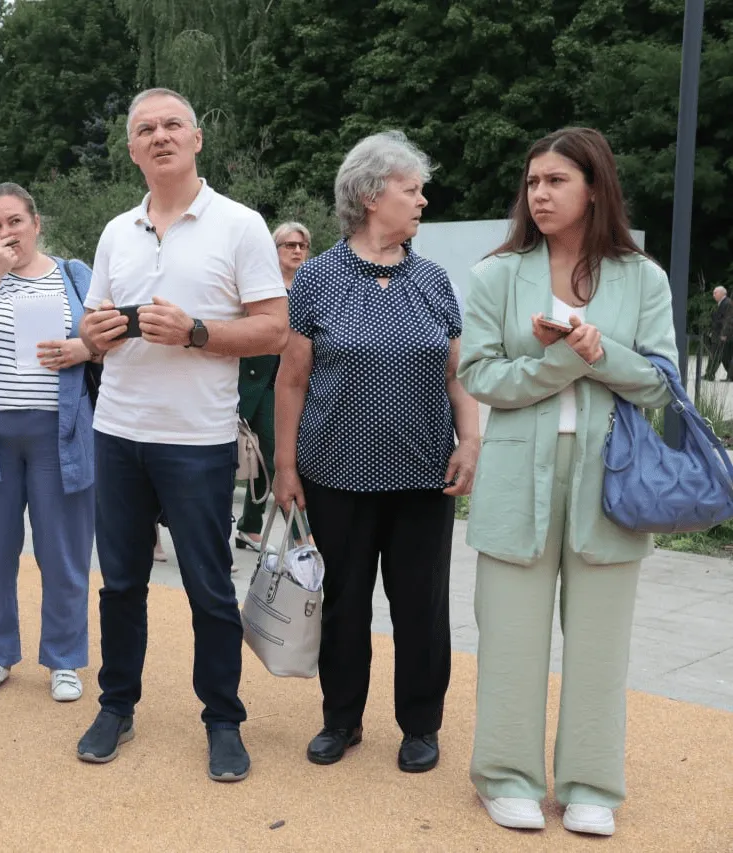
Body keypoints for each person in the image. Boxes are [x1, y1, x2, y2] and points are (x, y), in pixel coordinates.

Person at [458, 127, 675, 837]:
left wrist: (593, 348)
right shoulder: (496, 275)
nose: (539, 193)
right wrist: (562, 363)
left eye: (555, 180)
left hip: (610, 480)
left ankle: (590, 784)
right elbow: (477, 374)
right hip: (517, 476)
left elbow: (658, 384)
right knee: (510, 640)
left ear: (593, 188)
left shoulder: (641, 277)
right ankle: (505, 776)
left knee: (599, 644)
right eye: (531, 182)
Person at [77, 87, 289, 782]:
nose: (159, 136)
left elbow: (274, 328)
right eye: (145, 129)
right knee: (120, 584)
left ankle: (222, 719)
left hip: (197, 438)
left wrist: (197, 333)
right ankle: (116, 704)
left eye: (173, 125)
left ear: (197, 139)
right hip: (117, 430)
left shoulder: (238, 224)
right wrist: (96, 334)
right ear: (132, 148)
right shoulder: (115, 231)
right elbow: (89, 329)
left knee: (207, 584)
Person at [273, 131, 479, 774]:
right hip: (335, 470)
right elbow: (292, 378)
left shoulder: (433, 280)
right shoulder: (317, 277)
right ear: (370, 196)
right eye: (411, 189)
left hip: (422, 471)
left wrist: (470, 439)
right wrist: (284, 465)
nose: (422, 200)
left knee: (422, 604)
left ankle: (420, 724)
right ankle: (341, 720)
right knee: (343, 602)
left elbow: (456, 372)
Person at [0, 182, 96, 703]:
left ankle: (65, 659)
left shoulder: (75, 276)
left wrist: (81, 348)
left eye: (15, 221)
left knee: (64, 552)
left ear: (37, 223)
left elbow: (105, 341)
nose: (6, 233)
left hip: (62, 435)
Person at [235, 221, 311, 551]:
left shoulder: (312, 286)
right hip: (251, 381)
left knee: (272, 457)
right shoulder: (259, 283)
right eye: (289, 245)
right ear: (274, 249)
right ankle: (296, 538)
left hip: (287, 384)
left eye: (302, 246)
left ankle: (258, 529)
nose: (296, 251)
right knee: (237, 459)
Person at [702, 285, 732, 380]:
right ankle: (710, 374)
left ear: (723, 293)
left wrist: (724, 334)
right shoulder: (722, 303)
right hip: (719, 334)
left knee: (719, 356)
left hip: (722, 335)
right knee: (719, 356)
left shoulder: (727, 303)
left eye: (715, 292)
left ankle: (710, 374)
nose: (713, 295)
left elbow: (728, 320)